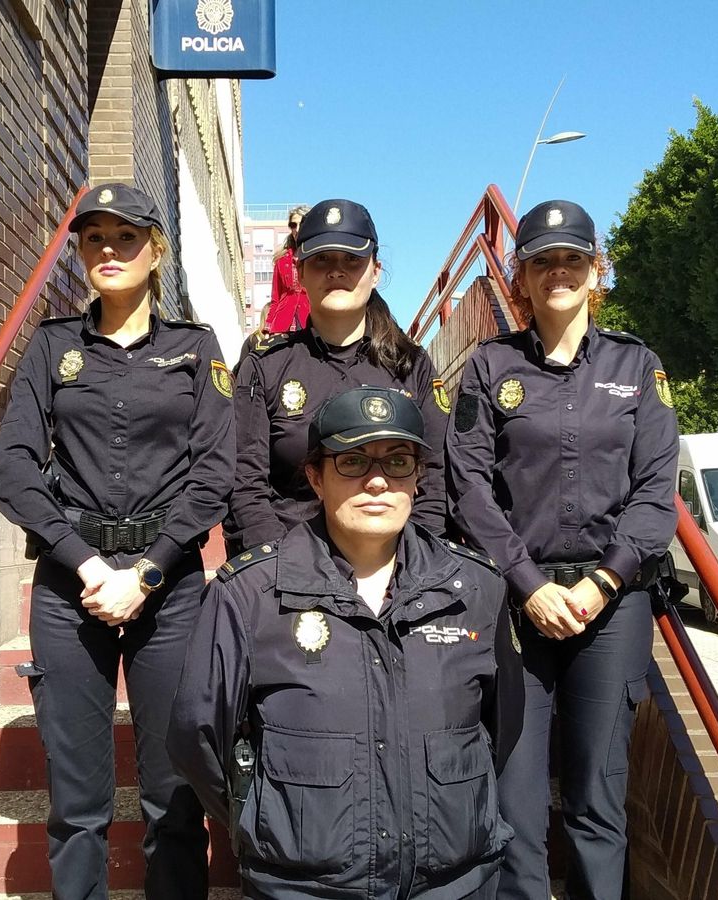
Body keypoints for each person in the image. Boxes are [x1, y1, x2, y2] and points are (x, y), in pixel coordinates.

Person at [170, 387, 521, 899]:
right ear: (316, 477)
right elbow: (195, 736)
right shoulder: (250, 594)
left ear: (418, 478)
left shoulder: (476, 589)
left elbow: (502, 727)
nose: (377, 481)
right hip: (303, 888)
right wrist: (263, 819)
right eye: (352, 461)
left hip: (452, 884)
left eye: (398, 461)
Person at [0, 182, 234, 900]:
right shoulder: (52, 345)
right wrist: (87, 563)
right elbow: (13, 467)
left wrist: (147, 572)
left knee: (175, 795)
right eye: (93, 237)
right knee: (76, 802)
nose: (108, 250)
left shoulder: (195, 349)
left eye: (125, 237)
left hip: (171, 586)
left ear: (155, 252)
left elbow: (215, 473)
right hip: (73, 585)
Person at [445, 199, 679, 899]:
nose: (558, 272)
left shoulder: (637, 365)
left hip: (612, 605)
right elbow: (469, 489)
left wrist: (603, 583)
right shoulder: (490, 367)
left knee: (597, 797)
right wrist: (529, 584)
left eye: (572, 259)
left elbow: (655, 491)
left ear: (595, 270)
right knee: (514, 801)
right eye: (541, 261)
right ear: (520, 276)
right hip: (518, 604)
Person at [226, 198, 452, 554]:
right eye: (321, 260)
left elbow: (435, 477)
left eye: (351, 259)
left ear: (375, 271)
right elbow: (246, 482)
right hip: (288, 560)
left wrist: (412, 563)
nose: (336, 271)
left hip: (395, 565)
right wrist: (283, 565)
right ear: (300, 272)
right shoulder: (265, 366)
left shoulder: (411, 365)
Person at [265, 204, 312, 333]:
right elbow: (275, 298)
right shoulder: (281, 260)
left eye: (301, 224)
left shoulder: (320, 257)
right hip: (283, 323)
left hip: (312, 321)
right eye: (293, 225)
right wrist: (268, 327)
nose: (297, 229)